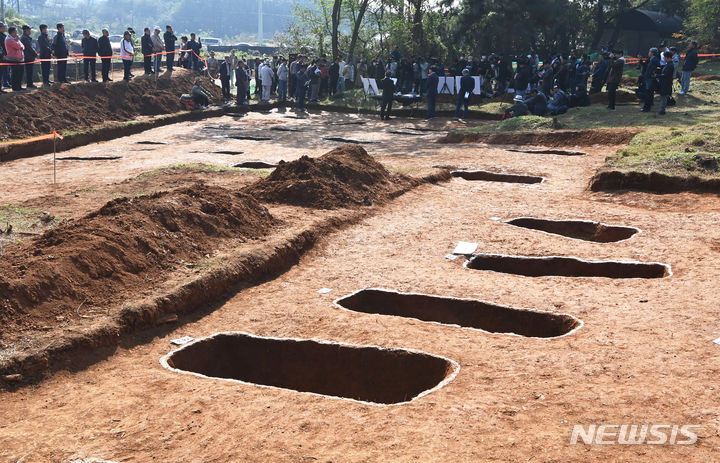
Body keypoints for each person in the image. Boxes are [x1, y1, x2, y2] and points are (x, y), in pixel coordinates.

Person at [4, 27, 24, 91]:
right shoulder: (9, 39)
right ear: (12, 32)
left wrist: (18, 43)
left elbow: (22, 46)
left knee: (20, 73)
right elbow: (18, 46)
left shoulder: (14, 39)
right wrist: (18, 41)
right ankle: (15, 87)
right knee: (15, 73)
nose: (17, 33)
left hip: (19, 59)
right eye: (16, 32)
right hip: (13, 59)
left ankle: (19, 86)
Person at [641, 48, 660, 112]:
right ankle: (649, 105)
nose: (648, 53)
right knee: (650, 93)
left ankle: (647, 108)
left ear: (652, 53)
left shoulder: (654, 60)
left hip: (650, 78)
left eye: (649, 52)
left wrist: (650, 75)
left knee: (648, 93)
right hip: (649, 78)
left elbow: (652, 69)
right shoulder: (652, 59)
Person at [657, 50, 675, 115]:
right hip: (665, 83)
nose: (664, 59)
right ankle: (662, 110)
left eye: (665, 58)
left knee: (663, 97)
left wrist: (657, 75)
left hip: (666, 83)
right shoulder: (668, 64)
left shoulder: (670, 65)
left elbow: (666, 75)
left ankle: (662, 110)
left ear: (668, 58)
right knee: (663, 97)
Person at [0, 23, 8, 92]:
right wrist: (2, 55)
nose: (5, 28)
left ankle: (1, 87)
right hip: (1, 57)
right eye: (3, 27)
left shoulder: (3, 35)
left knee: (2, 72)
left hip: (3, 55)